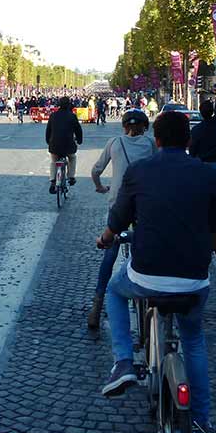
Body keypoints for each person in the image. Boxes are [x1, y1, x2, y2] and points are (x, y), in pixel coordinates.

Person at [96, 111, 216, 433]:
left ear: (156, 140)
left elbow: (119, 216)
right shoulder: (207, 174)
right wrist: (213, 245)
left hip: (147, 274)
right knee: (194, 340)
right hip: (195, 277)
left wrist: (107, 237)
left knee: (114, 290)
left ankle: (123, 362)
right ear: (189, 141)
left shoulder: (140, 171)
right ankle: (200, 419)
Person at [87, 109, 155, 329]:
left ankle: (97, 304)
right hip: (145, 204)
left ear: (124, 126)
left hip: (118, 203)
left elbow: (95, 170)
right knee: (146, 248)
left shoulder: (114, 142)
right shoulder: (151, 144)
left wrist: (100, 187)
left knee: (110, 252)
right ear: (145, 126)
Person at [46, 96, 83, 194]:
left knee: (54, 161)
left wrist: (48, 141)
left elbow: (48, 131)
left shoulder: (53, 116)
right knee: (72, 158)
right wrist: (79, 140)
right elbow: (78, 130)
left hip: (54, 145)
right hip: (69, 145)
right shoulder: (72, 116)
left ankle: (53, 181)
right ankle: (71, 177)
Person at [188, 89, 216, 179]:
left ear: (201, 113)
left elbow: (192, 150)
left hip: (201, 162)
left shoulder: (196, 130)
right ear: (212, 111)